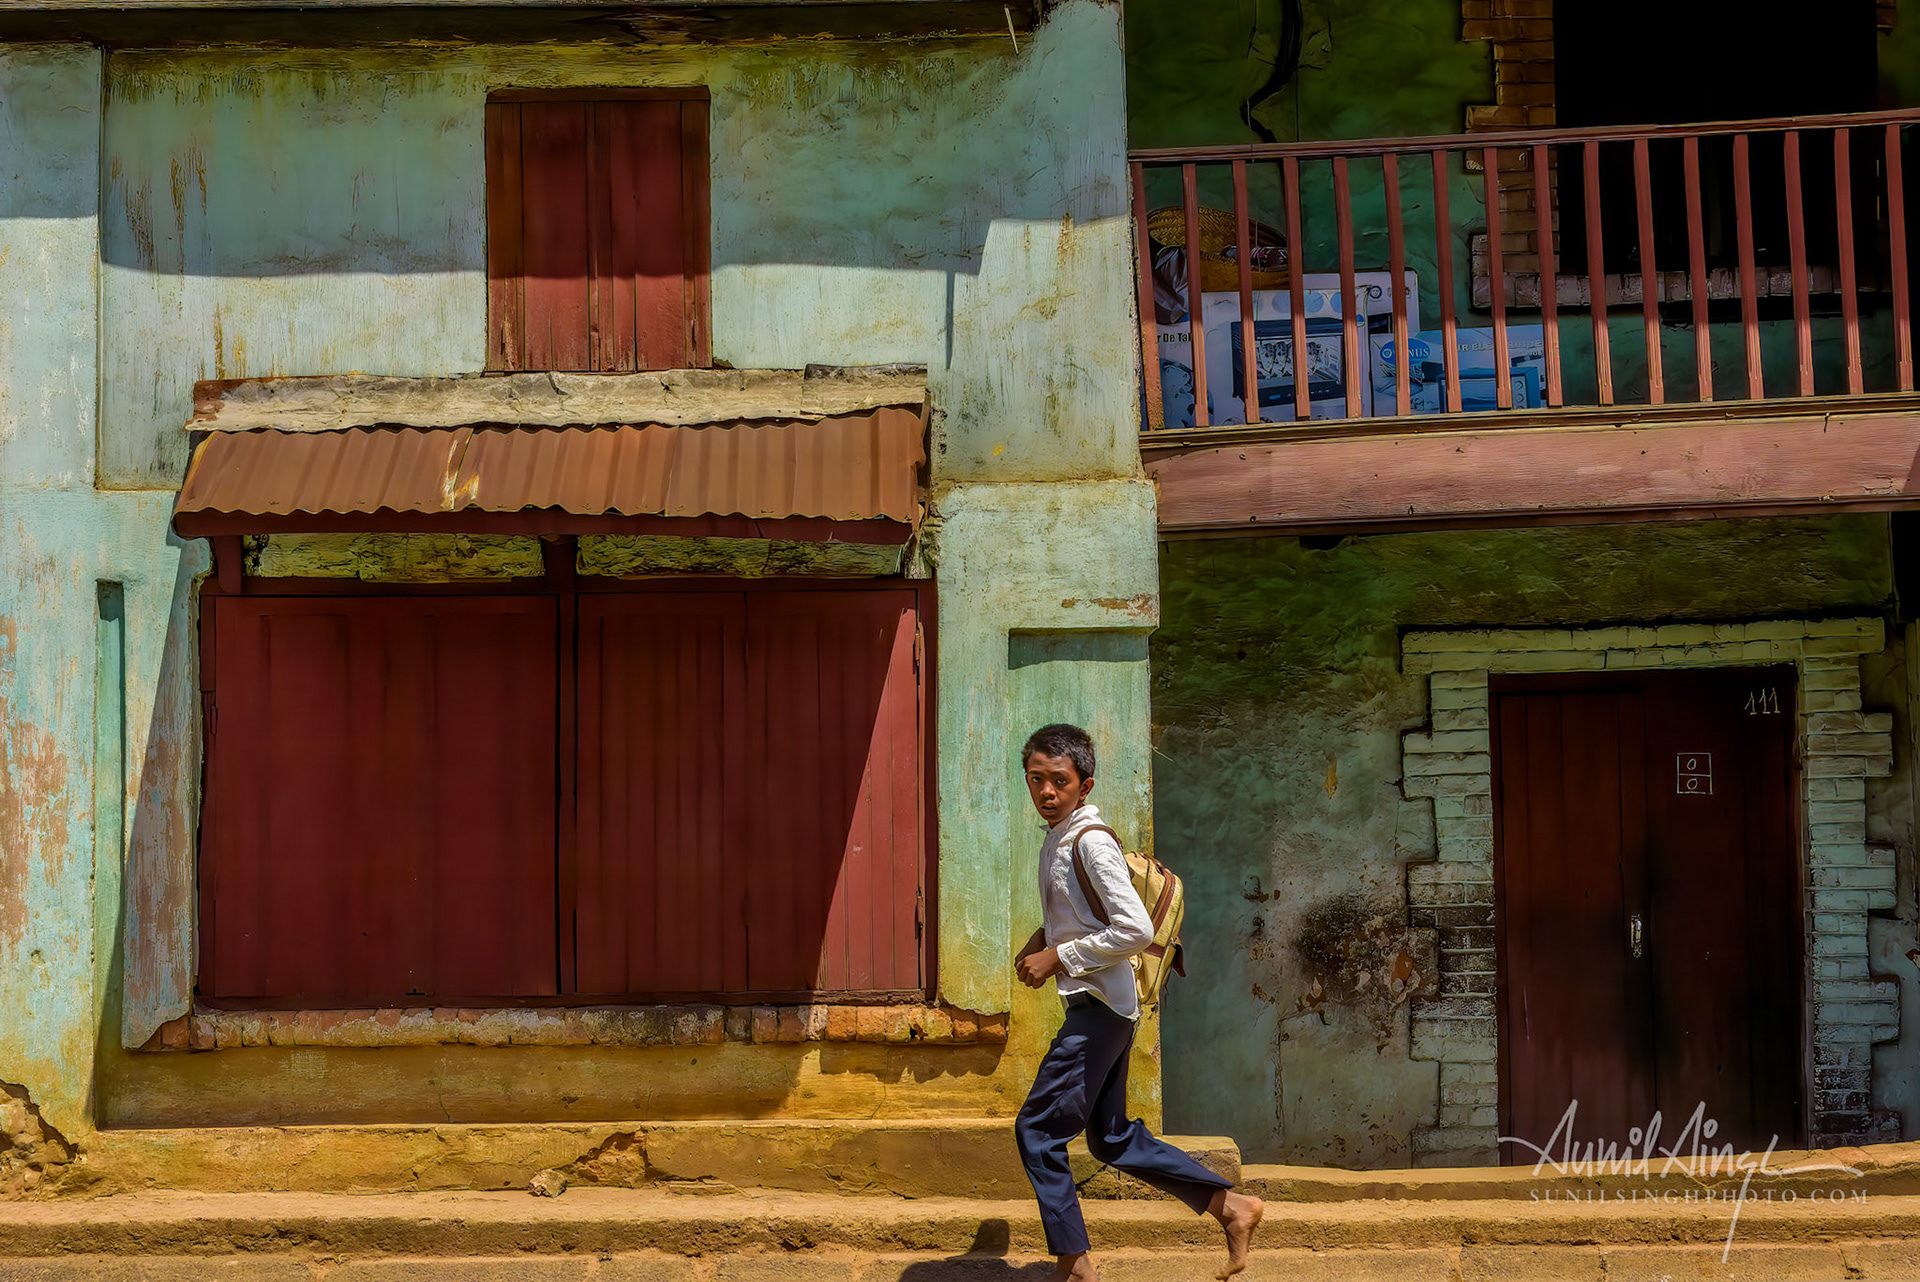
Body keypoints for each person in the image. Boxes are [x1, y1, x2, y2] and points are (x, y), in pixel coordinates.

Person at [1014, 723, 1265, 1281]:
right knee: (1111, 1138)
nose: (1047, 791)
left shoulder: (1090, 841)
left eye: (1060, 780)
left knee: (1037, 1129)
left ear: (1085, 784)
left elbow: (1131, 929)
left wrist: (1057, 957)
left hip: (1099, 1008)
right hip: (1106, 1007)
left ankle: (1075, 1263)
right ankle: (1233, 1209)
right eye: (1037, 779)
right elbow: (1083, 913)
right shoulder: (1057, 837)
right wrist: (1044, 939)